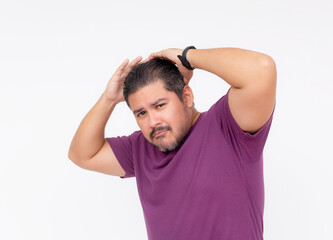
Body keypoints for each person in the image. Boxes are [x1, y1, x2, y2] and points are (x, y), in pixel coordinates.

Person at [68, 46, 277, 240]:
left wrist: (188, 57)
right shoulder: (139, 148)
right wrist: (109, 99)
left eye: (160, 106)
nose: (153, 121)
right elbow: (82, 154)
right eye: (141, 113)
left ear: (186, 96)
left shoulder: (228, 126)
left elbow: (261, 70)